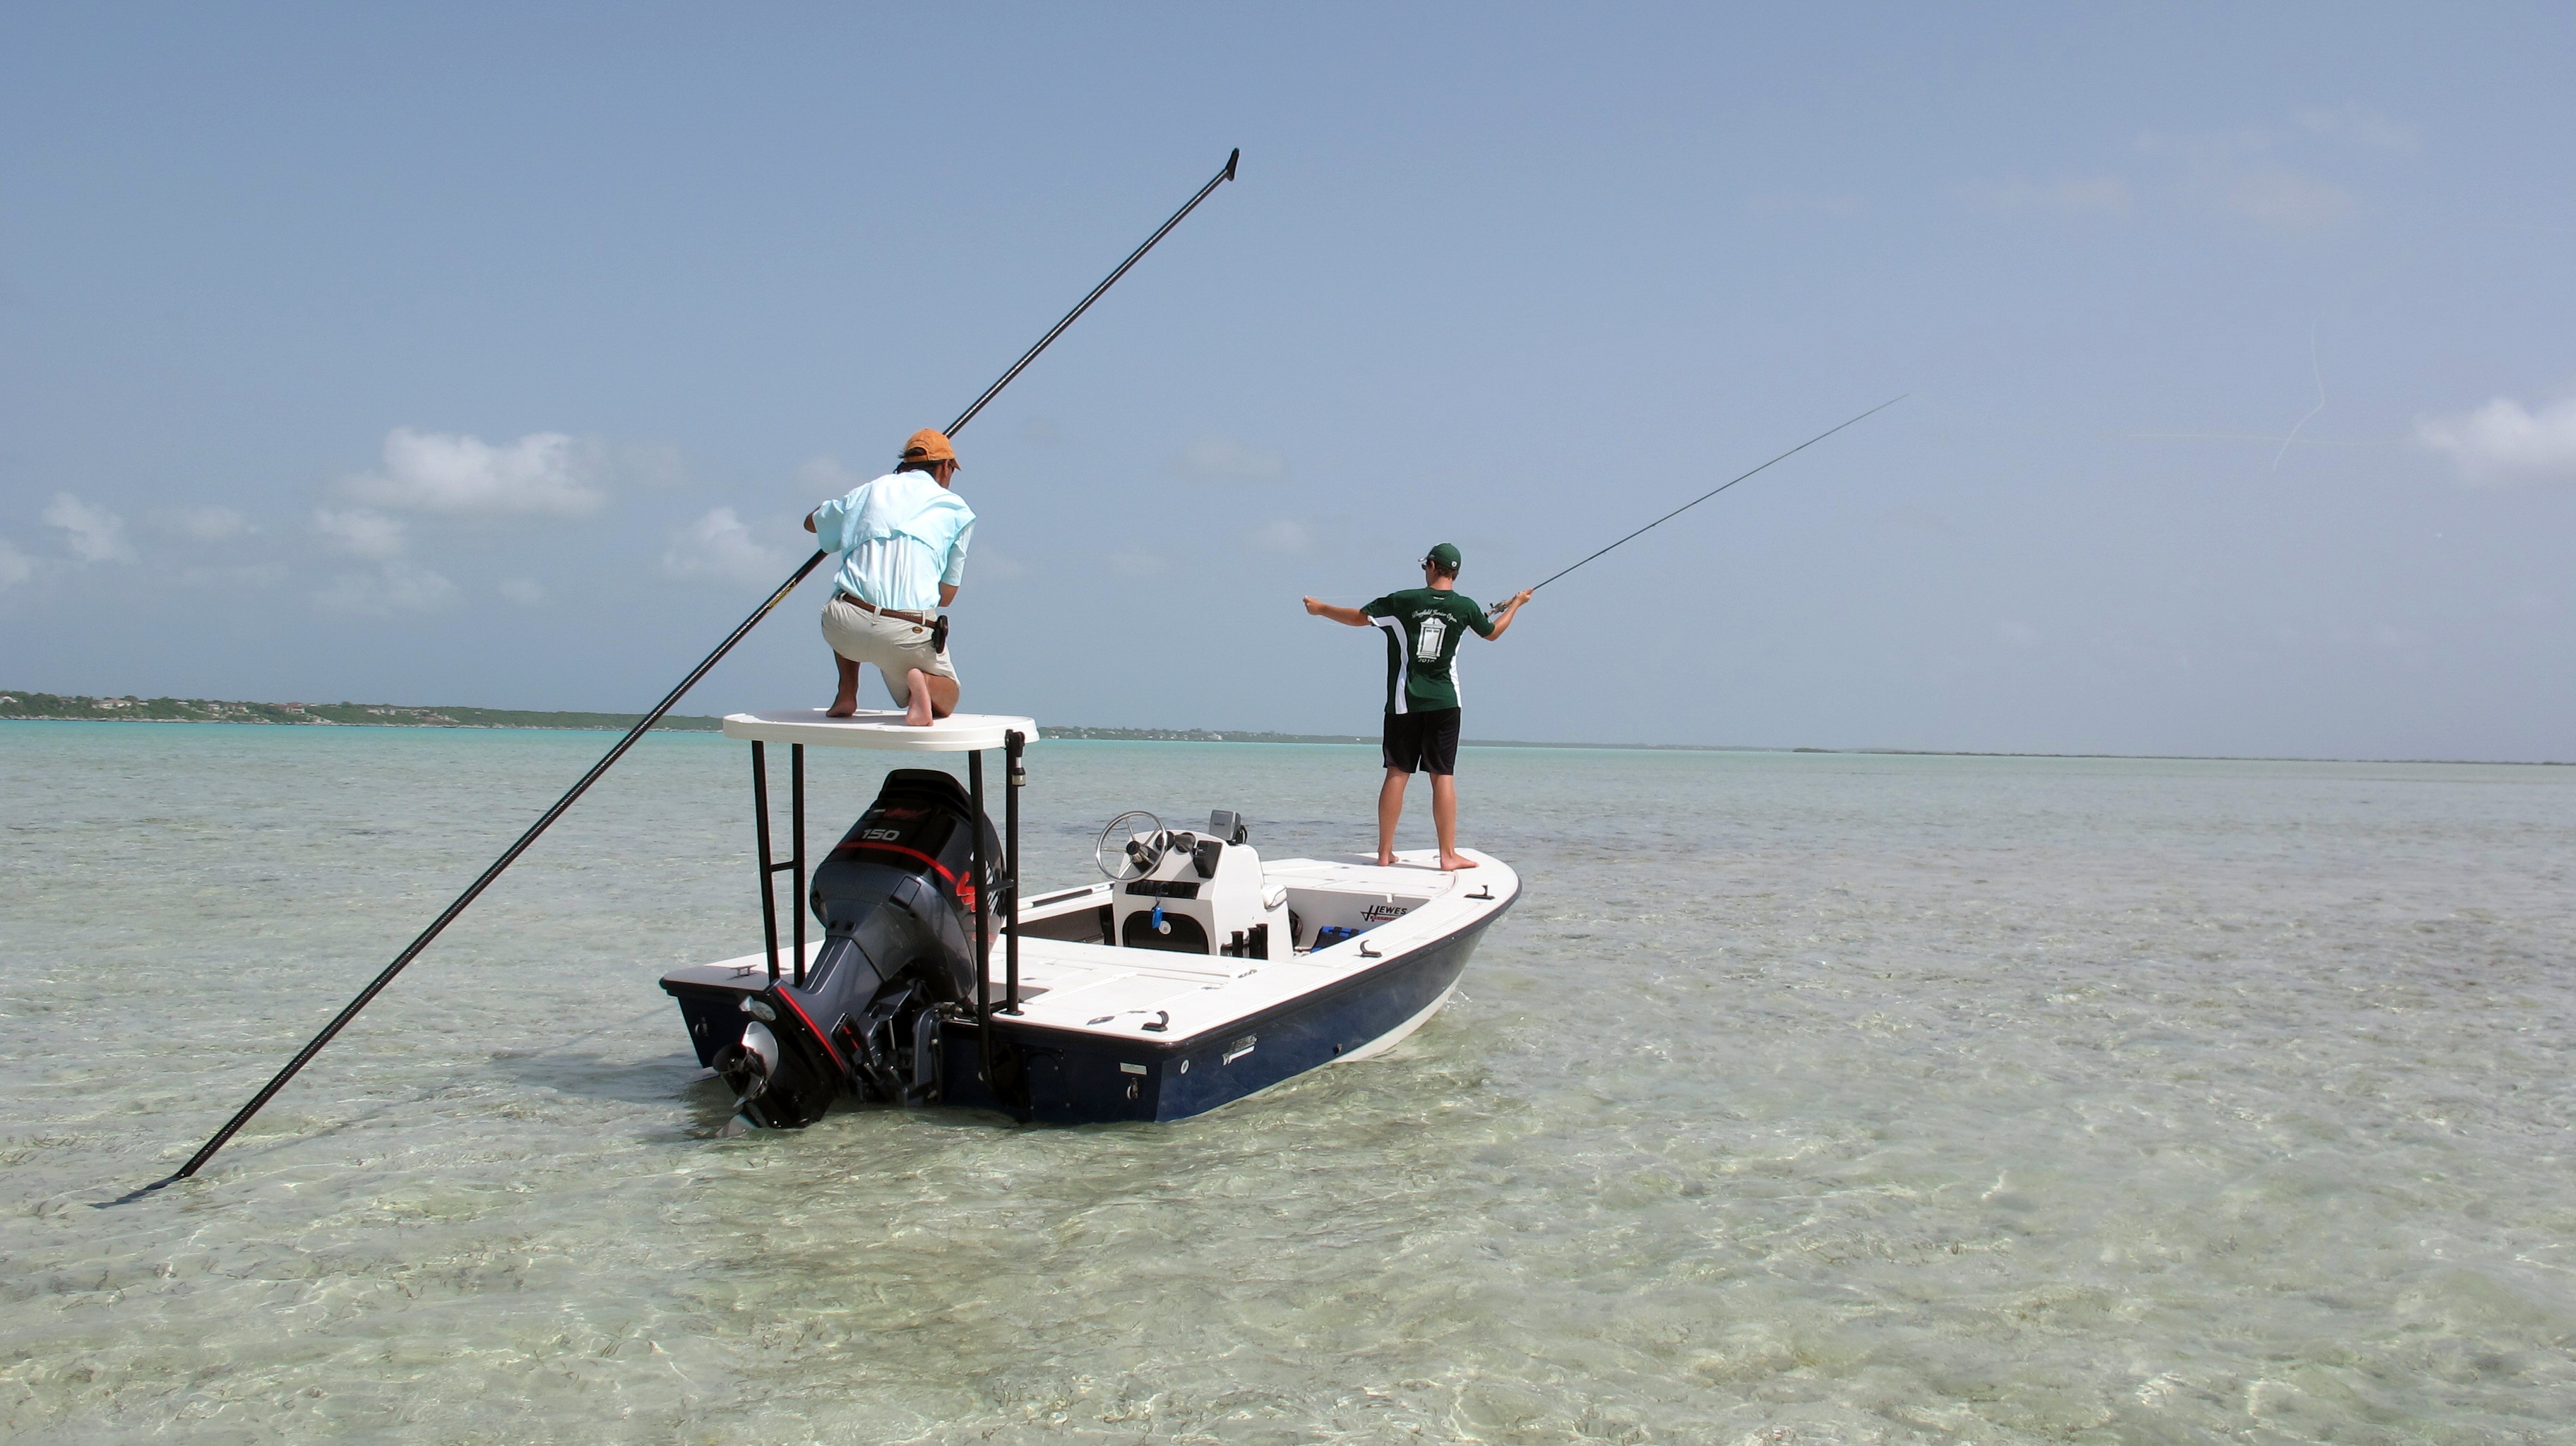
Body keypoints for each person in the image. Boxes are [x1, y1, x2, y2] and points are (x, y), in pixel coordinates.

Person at [1304, 543, 1532, 870]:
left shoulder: (1404, 601)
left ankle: (1384, 853)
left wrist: (1321, 608)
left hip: (1403, 701)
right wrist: (1517, 605)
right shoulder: (1466, 607)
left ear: (1433, 566)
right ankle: (1448, 856)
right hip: (1445, 702)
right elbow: (1492, 632)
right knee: (1443, 776)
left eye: (1426, 565)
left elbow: (1358, 619)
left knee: (1398, 772)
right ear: (1454, 572)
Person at [805, 428, 976, 726]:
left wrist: (842, 512)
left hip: (844, 626)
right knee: (948, 696)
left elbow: (811, 524)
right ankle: (920, 682)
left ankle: (847, 690)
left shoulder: (867, 491)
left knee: (847, 598)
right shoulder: (958, 510)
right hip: (906, 629)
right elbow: (946, 597)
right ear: (945, 467)